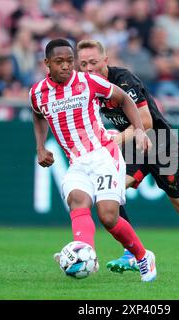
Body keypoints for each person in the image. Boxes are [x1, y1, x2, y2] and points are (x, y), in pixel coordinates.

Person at [76, 39, 179, 274]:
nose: (88, 69)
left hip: (159, 141)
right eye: (83, 64)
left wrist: (114, 139)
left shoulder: (124, 80)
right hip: (130, 145)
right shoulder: (84, 86)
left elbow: (145, 121)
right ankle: (132, 253)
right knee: (111, 189)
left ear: (106, 60)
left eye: (93, 62)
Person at [29, 39, 156, 282]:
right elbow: (38, 115)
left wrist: (139, 129)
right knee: (78, 201)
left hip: (104, 155)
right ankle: (86, 254)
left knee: (108, 217)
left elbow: (124, 99)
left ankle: (142, 256)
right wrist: (40, 147)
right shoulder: (37, 93)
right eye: (59, 62)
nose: (66, 66)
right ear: (47, 63)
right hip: (77, 162)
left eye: (69, 61)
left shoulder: (87, 81)